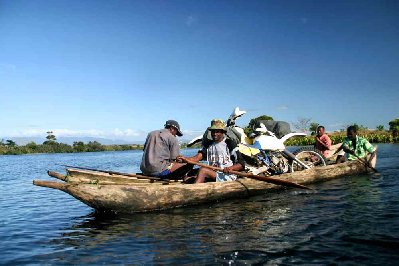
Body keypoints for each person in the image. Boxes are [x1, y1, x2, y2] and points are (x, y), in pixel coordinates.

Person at [178, 119, 245, 183]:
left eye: (217, 131)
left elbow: (241, 164)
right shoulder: (208, 145)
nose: (214, 134)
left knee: (203, 170)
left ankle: (193, 192)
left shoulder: (229, 143)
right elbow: (196, 158)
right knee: (188, 176)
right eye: (213, 131)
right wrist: (185, 159)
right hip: (213, 174)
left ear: (222, 132)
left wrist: (230, 168)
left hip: (226, 176)